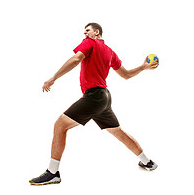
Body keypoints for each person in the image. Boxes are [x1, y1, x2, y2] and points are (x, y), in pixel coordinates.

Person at [29, 23, 159, 185]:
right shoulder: (110, 52)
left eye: (88, 30)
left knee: (60, 126)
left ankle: (53, 172)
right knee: (118, 132)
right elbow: (125, 75)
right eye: (84, 31)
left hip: (94, 97)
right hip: (104, 97)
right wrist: (143, 67)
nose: (84, 33)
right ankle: (147, 162)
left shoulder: (90, 42)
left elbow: (76, 59)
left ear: (96, 32)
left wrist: (53, 78)